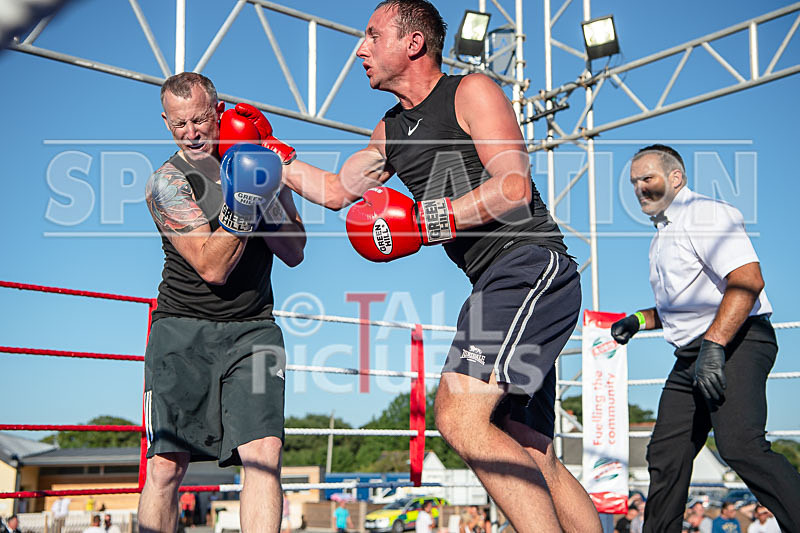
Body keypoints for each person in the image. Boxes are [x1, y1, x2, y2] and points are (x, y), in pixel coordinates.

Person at [279, 2, 601, 531]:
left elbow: (513, 185)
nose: (360, 49)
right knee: (532, 448)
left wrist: (426, 221)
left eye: (372, 36)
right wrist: (272, 157)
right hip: (498, 282)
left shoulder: (469, 91)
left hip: (528, 267)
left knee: (458, 415)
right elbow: (337, 192)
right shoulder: (389, 130)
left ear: (412, 44)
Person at [140, 71, 306, 533]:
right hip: (183, 330)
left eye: (199, 120)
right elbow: (212, 267)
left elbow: (295, 251)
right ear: (165, 123)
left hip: (253, 327)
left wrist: (266, 185)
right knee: (167, 467)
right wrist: (245, 198)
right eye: (178, 125)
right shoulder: (166, 184)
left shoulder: (259, 160)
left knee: (264, 456)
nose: (191, 133)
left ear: (218, 112)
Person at [611, 144, 800, 533]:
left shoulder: (706, 215)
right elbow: (685, 307)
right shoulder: (662, 235)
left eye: (648, 178)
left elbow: (747, 281)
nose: (640, 189)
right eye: (634, 182)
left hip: (738, 341)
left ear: (676, 178)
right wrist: (637, 320)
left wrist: (714, 346)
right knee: (667, 453)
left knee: (740, 446)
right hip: (693, 353)